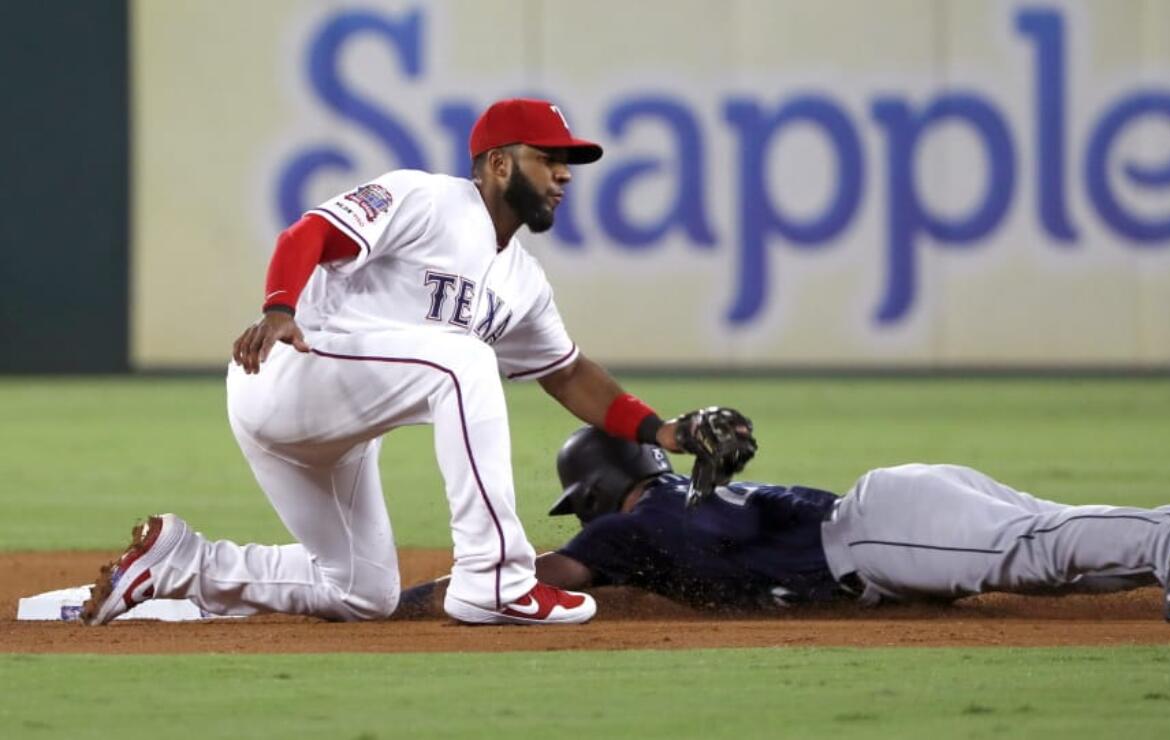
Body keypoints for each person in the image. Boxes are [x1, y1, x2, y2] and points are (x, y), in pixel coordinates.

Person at [81, 99, 749, 627]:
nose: (565, 174)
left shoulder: (522, 280)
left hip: (331, 429)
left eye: (568, 162)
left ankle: (181, 564)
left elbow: (569, 373)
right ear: (497, 165)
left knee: (360, 592)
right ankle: (495, 578)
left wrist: (663, 433)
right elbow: (307, 233)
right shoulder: (426, 200)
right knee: (462, 360)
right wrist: (280, 308)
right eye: (548, 159)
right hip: (294, 367)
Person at [396, 427, 1170, 624]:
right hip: (891, 509)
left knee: (1034, 552)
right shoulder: (678, 501)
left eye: (584, 505)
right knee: (1046, 544)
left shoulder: (629, 527)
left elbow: (529, 580)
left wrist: (398, 604)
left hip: (868, 538)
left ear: (599, 491)